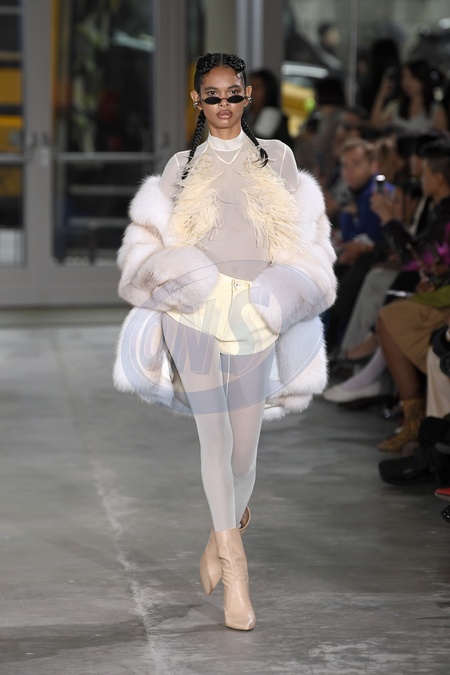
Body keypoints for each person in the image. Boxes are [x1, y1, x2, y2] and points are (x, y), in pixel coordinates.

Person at [113, 53, 336, 631]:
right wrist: (164, 281)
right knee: (213, 437)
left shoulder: (278, 158)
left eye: (233, 94)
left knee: (243, 450)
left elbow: (303, 244)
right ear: (197, 100)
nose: (223, 106)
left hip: (254, 308)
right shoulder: (181, 167)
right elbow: (152, 247)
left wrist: (291, 292)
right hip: (194, 306)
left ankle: (221, 532)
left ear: (248, 96)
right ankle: (237, 573)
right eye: (211, 96)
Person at [370, 59, 448, 132]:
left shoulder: (436, 112)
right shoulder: (396, 107)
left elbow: (441, 138)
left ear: (422, 79)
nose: (406, 83)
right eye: (404, 77)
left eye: (412, 77)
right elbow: (375, 125)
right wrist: (381, 95)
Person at [245, 68, 293, 147]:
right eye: (249, 87)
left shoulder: (271, 114)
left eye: (257, 88)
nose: (252, 92)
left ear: (268, 90)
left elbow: (256, 143)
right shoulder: (248, 112)